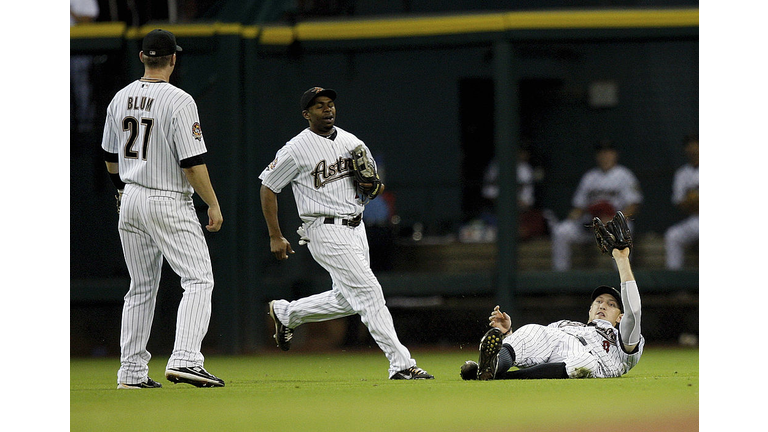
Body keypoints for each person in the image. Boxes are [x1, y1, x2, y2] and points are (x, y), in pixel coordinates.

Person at [259, 87, 434, 380]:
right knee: (369, 292)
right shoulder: (295, 149)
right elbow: (268, 187)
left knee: (348, 299)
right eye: (319, 106)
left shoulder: (352, 142)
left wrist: (372, 188)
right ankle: (402, 364)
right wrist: (275, 235)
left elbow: (372, 187)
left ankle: (287, 313)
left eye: (330, 104)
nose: (327, 110)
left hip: (356, 226)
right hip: (323, 229)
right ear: (306, 114)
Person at [101, 29, 225, 389]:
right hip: (166, 197)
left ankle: (132, 372)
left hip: (132, 198)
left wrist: (123, 191)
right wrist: (212, 203)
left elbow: (110, 157)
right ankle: (185, 359)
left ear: (142, 57)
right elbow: (191, 163)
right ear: (174, 59)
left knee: (140, 287)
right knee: (199, 279)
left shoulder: (119, 98)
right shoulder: (179, 100)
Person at [461, 243, 643, 380]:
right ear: (590, 310)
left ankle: (494, 375)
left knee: (586, 363)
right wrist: (509, 333)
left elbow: (633, 312)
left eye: (611, 304)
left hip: (587, 361)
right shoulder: (565, 325)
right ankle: (493, 365)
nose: (603, 306)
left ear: (620, 317)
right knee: (533, 330)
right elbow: (537, 348)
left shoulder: (622, 339)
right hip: (557, 345)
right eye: (598, 302)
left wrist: (622, 259)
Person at [551, 140, 642, 271]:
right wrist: (574, 215)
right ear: (597, 156)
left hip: (613, 225)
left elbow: (634, 205)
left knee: (624, 230)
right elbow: (579, 206)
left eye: (608, 152)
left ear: (615, 155)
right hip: (591, 225)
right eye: (601, 153)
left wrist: (614, 220)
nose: (605, 156)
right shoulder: (590, 177)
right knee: (561, 231)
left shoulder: (624, 175)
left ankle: (622, 278)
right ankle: (559, 277)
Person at [665, 133, 699, 269]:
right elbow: (680, 202)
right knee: (672, 236)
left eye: (696, 144)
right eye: (689, 145)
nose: (693, 149)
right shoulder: (682, 173)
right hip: (695, 219)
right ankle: (674, 282)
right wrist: (693, 201)